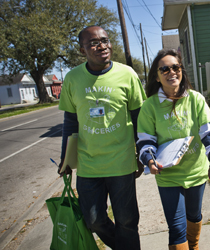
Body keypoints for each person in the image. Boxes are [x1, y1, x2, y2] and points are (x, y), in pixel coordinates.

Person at [58, 25, 146, 250]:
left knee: (127, 221)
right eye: (94, 43)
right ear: (82, 50)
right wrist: (65, 158)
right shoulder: (72, 78)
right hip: (89, 164)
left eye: (105, 40)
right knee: (93, 220)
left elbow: (139, 119)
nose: (102, 46)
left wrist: (142, 152)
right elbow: (70, 122)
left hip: (122, 161)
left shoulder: (127, 74)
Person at [137, 49, 210, 250]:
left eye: (176, 67)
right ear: (157, 77)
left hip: (195, 171)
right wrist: (149, 160)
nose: (172, 72)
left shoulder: (195, 99)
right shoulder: (149, 107)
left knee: (194, 217)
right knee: (176, 228)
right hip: (168, 175)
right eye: (165, 69)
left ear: (182, 71)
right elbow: (145, 140)